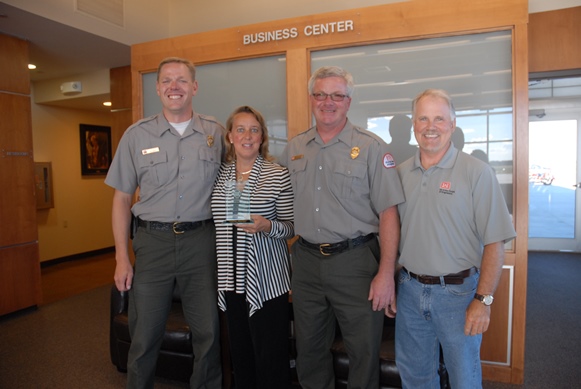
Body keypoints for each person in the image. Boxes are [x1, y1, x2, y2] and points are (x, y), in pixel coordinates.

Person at [279, 66, 405, 389]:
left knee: (362, 353)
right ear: (311, 99)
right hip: (306, 262)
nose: (328, 102)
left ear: (349, 101)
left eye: (337, 95)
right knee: (309, 350)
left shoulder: (371, 148)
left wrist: (386, 273)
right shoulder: (294, 148)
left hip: (356, 263)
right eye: (321, 94)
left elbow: (389, 214)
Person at [105, 57, 224, 389]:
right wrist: (121, 257)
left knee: (208, 333)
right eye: (167, 80)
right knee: (144, 335)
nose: (175, 86)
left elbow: (234, 184)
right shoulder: (136, 135)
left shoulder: (216, 133)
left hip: (201, 242)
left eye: (182, 80)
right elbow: (121, 199)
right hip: (152, 242)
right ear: (157, 88)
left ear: (194, 87)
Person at [395, 89, 517, 388]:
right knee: (415, 377)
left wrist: (483, 301)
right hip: (409, 292)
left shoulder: (477, 173)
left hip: (458, 296)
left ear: (452, 124)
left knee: (464, 378)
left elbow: (495, 242)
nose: (430, 126)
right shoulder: (398, 174)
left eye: (439, 118)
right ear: (414, 124)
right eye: (423, 118)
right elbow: (390, 234)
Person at [211, 105, 294, 389]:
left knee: (270, 360)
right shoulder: (220, 176)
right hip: (231, 279)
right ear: (230, 137)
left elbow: (291, 227)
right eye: (241, 129)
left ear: (262, 137)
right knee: (241, 358)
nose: (248, 135)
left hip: (266, 282)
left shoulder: (277, 174)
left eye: (254, 130)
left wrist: (267, 226)